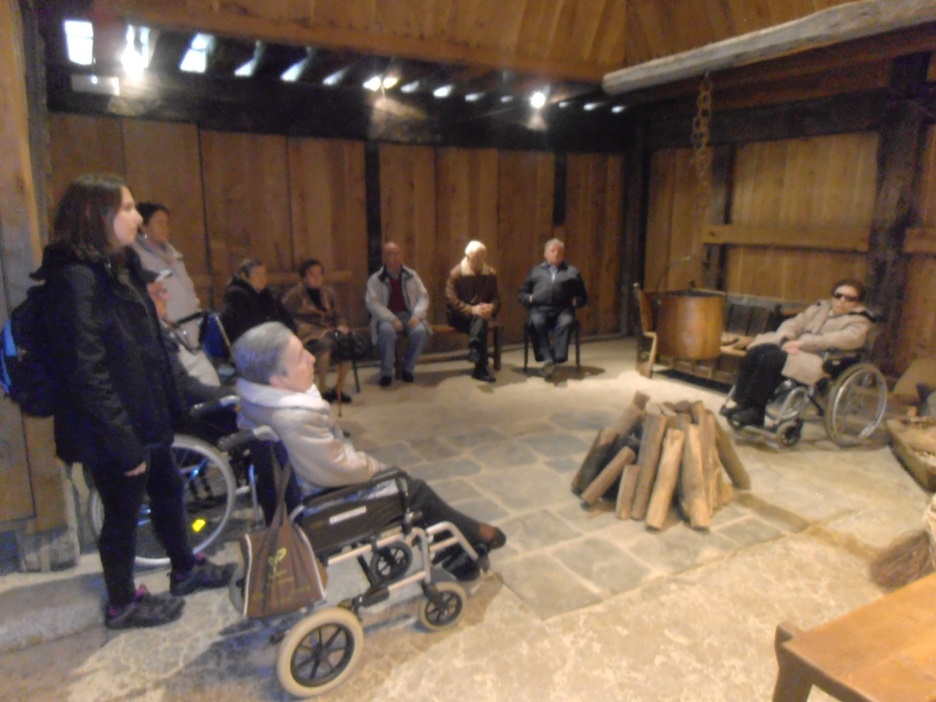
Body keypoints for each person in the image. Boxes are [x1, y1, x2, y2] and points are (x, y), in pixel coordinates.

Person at [35, 174, 234, 630]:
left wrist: (173, 406)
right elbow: (85, 372)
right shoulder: (76, 280)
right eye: (126, 208)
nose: (137, 218)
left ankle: (184, 569)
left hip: (146, 416)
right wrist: (123, 443)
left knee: (169, 491)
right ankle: (122, 604)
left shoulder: (119, 266)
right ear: (97, 215)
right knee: (122, 515)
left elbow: (148, 346)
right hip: (112, 427)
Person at [231, 322, 506, 579]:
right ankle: (478, 535)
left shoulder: (255, 403)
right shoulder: (293, 419)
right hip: (321, 508)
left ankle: (459, 547)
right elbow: (338, 469)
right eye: (301, 358)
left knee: (404, 484)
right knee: (413, 491)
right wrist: (376, 467)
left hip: (300, 495)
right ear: (277, 381)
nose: (312, 359)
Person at [725, 279, 875, 427]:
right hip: (795, 348)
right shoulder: (819, 308)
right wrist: (786, 340)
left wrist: (802, 344)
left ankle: (755, 410)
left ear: (858, 302)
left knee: (771, 360)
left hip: (823, 358)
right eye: (838, 295)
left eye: (849, 298)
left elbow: (843, 339)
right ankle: (742, 404)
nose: (842, 300)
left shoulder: (860, 320)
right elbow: (794, 323)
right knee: (756, 352)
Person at [131, 202, 204, 353]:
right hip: (168, 327)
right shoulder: (137, 256)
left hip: (190, 322)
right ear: (143, 226)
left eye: (167, 223)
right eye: (159, 223)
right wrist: (161, 323)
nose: (165, 227)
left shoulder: (172, 253)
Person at [281, 258, 352, 404]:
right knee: (325, 345)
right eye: (312, 274)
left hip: (329, 331)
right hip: (307, 334)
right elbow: (284, 317)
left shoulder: (328, 293)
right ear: (304, 277)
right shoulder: (295, 295)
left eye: (319, 274)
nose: (317, 277)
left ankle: (339, 388)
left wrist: (341, 325)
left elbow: (338, 315)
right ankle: (322, 387)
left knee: (347, 344)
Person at [518, 237, 588, 379]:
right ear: (545, 254)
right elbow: (522, 293)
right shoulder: (536, 271)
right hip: (540, 309)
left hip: (563, 310)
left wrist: (576, 301)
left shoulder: (572, 272)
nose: (556, 254)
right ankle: (548, 358)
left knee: (567, 322)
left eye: (559, 251)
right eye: (552, 250)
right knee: (536, 322)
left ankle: (555, 359)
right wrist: (529, 299)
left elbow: (583, 296)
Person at [365, 242, 430, 387]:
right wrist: (392, 319)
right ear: (384, 257)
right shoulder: (376, 279)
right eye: (390, 254)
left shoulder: (411, 275)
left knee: (420, 332)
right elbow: (372, 303)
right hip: (386, 317)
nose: (395, 258)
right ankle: (387, 373)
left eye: (397, 254)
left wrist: (417, 315)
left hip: (408, 315)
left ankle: (408, 369)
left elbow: (423, 297)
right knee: (386, 331)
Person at [147, 270, 220, 387]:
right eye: (157, 293)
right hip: (198, 393)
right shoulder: (151, 338)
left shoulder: (164, 329)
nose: (166, 297)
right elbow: (181, 383)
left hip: (193, 347)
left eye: (164, 291)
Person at [445, 240, 501, 383]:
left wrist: (491, 307)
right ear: (468, 256)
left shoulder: (490, 274)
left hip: (481, 315)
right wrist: (471, 309)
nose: (480, 260)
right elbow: (451, 301)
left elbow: (496, 298)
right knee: (480, 320)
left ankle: (475, 351)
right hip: (459, 317)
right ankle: (481, 368)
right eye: (476, 256)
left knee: (480, 318)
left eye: (482, 256)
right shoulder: (456, 274)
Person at [218, 257, 295, 344]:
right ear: (244, 276)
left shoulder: (269, 296)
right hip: (246, 344)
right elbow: (249, 327)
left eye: (264, 274)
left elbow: (287, 320)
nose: (262, 278)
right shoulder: (236, 296)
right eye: (257, 274)